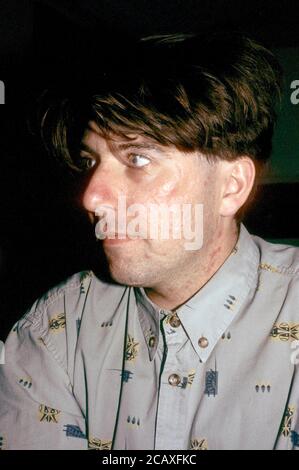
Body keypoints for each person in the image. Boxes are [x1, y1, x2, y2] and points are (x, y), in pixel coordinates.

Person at [0, 32, 298, 451]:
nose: (91, 196)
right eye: (91, 161)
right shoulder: (55, 330)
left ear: (231, 186)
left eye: (138, 158)